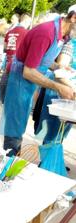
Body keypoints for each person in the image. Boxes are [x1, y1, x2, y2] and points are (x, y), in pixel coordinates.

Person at [0, 13, 76, 156]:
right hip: (18, 81)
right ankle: (6, 169)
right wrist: (59, 86)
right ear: (74, 18)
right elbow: (28, 72)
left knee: (18, 126)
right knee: (14, 131)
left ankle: (10, 162)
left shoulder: (61, 36)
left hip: (27, 83)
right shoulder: (46, 32)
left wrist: (58, 67)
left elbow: (41, 60)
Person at [34, 11, 76, 145]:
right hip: (62, 91)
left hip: (69, 93)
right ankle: (48, 161)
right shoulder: (70, 42)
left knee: (63, 131)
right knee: (53, 131)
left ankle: (53, 158)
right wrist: (72, 88)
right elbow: (61, 70)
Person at [0, 14, 31, 103]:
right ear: (26, 21)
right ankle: (9, 102)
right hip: (19, 60)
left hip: (8, 58)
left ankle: (3, 100)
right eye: (29, 22)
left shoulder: (9, 32)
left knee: (5, 80)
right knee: (16, 84)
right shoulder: (27, 33)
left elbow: (5, 48)